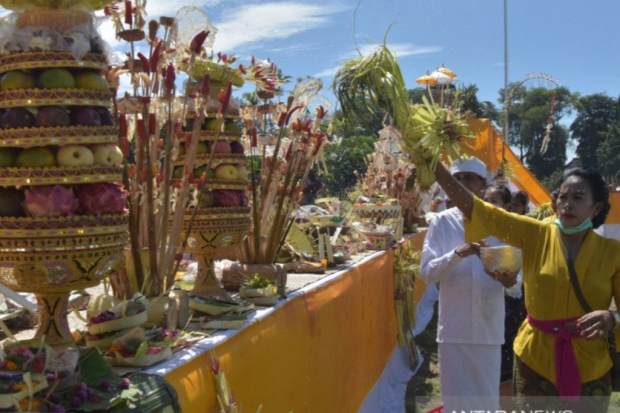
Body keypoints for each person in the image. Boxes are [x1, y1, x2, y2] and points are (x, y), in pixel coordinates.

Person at [433, 161, 620, 413]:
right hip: (534, 360)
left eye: (578, 197)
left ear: (596, 206)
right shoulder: (535, 234)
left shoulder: (613, 253)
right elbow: (478, 210)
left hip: (591, 363)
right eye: (562, 197)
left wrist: (612, 317)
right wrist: (432, 163)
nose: (567, 204)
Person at [420, 157, 516, 412]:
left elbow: (515, 282)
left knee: (486, 402)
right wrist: (457, 254)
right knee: (455, 403)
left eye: (469, 178)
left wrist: (507, 279)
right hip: (454, 329)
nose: (462, 184)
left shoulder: (500, 221)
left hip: (488, 327)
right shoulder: (441, 222)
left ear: (483, 185)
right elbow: (427, 273)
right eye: (456, 179)